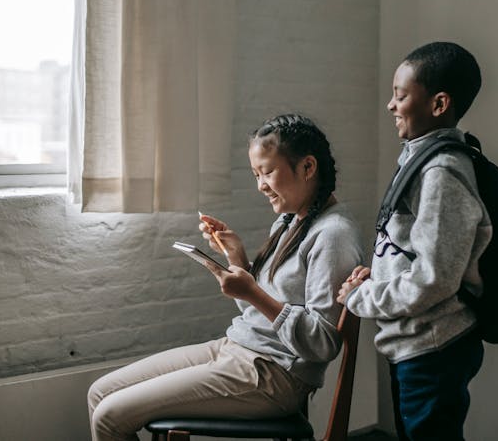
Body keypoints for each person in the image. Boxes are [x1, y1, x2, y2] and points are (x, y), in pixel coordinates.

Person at [88, 114, 364, 441]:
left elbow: (322, 344)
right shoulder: (290, 222)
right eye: (256, 174)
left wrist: (252, 293)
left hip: (274, 375)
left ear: (307, 167)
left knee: (110, 416)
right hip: (238, 347)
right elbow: (259, 312)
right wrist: (237, 258)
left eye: (268, 172)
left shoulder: (333, 235)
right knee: (99, 393)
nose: (261, 185)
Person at [337, 42, 492, 441]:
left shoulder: (442, 172)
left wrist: (365, 298)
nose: (390, 105)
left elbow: (435, 278)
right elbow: (415, 248)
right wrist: (380, 273)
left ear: (439, 104)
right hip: (414, 342)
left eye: (400, 95)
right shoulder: (419, 157)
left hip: (434, 346)